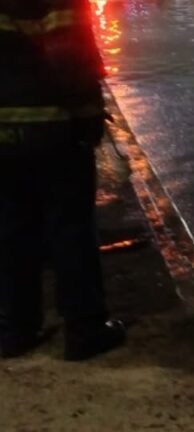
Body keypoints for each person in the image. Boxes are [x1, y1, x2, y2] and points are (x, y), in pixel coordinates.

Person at [0, 0, 126, 360]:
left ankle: (16, 330)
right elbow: (71, 57)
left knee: (12, 228)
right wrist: (89, 117)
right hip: (53, 129)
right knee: (70, 226)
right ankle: (84, 328)